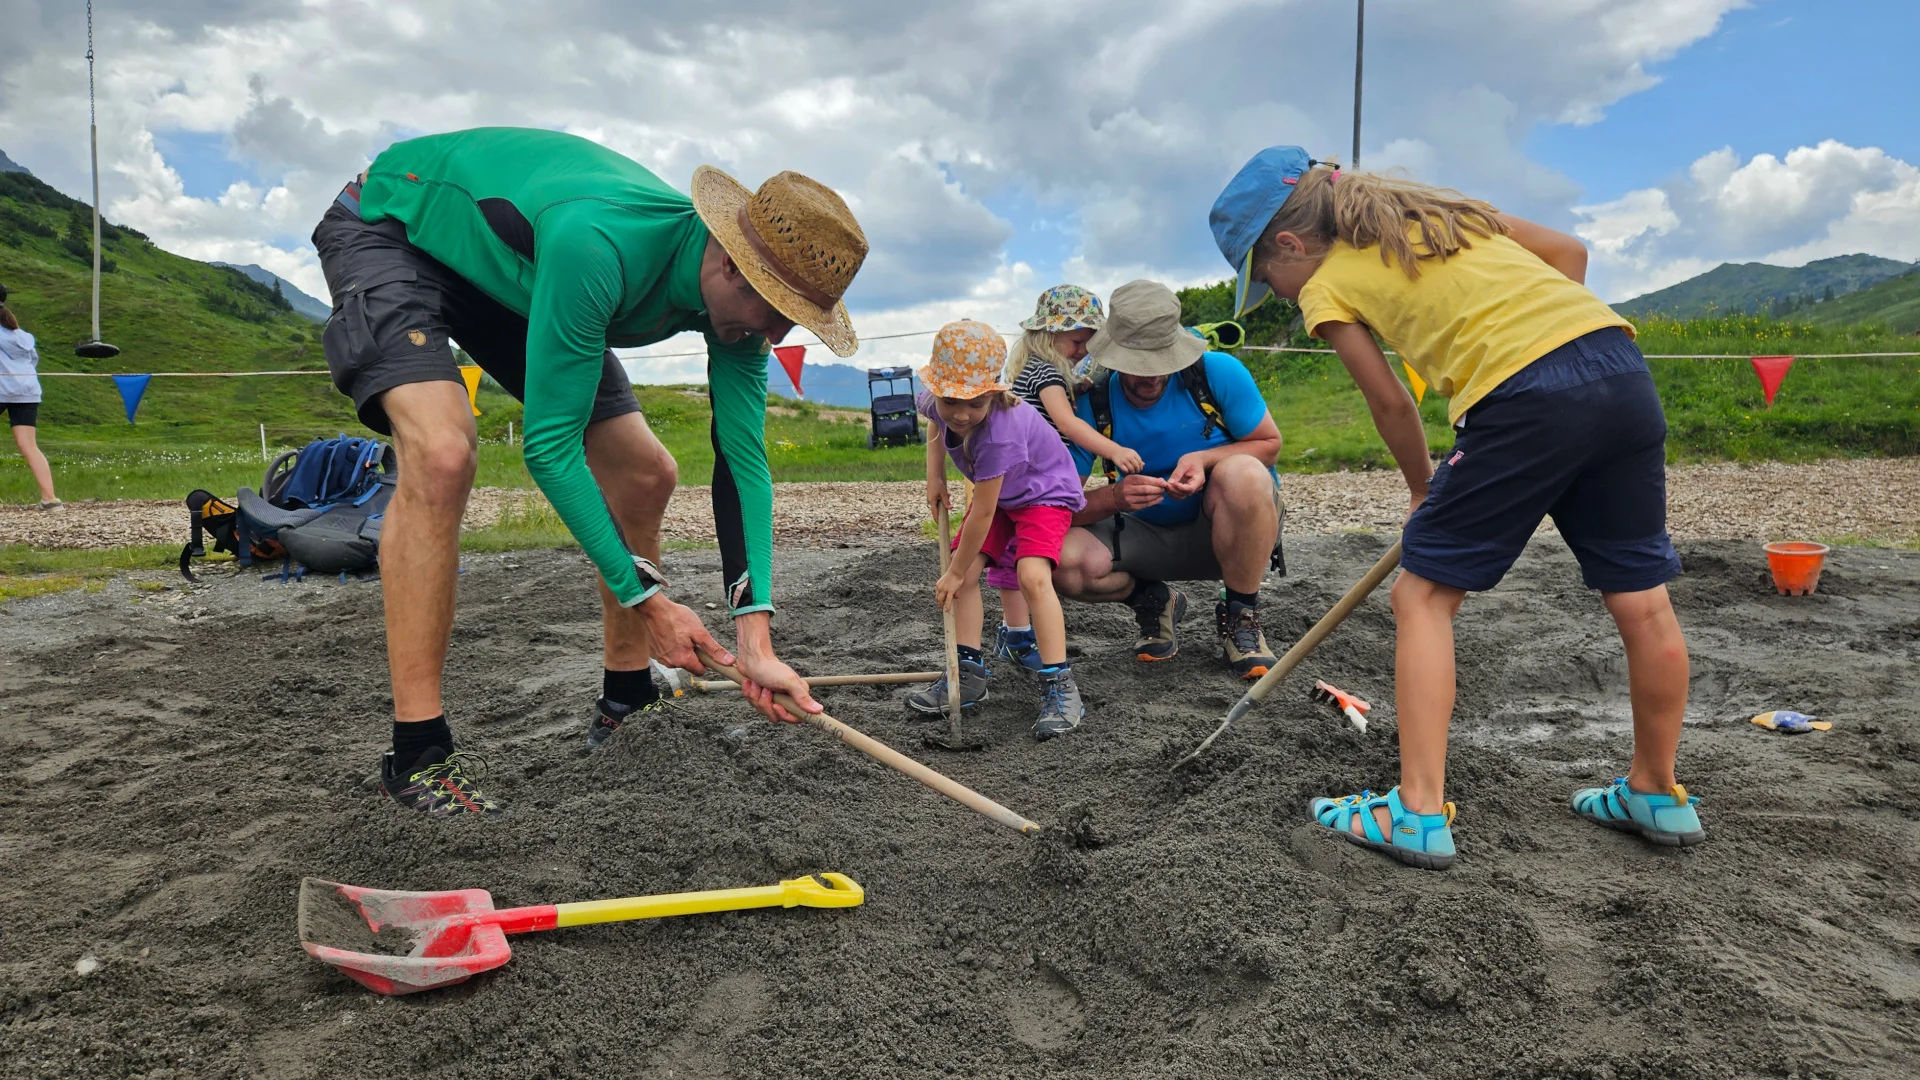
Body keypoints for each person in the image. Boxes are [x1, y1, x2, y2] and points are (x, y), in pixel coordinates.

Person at [311, 127, 869, 814]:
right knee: (445, 451)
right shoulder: (600, 245)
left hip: (514, 274)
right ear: (729, 264)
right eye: (778, 313)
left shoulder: (740, 317)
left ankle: (625, 696)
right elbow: (549, 446)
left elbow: (743, 460)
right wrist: (651, 602)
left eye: (796, 322)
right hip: (396, 227)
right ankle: (418, 751)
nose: (778, 336)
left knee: (645, 473)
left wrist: (755, 639)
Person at [1213, 145, 1702, 871]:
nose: (1278, 293)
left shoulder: (1326, 283)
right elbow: (1570, 251)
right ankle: (1657, 792)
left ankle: (1413, 812)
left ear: (1289, 243)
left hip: (1523, 400)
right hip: (1619, 371)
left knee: (1423, 596)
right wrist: (1550, 350)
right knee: (1641, 599)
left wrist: (1421, 488)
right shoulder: (1442, 215)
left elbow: (1390, 401)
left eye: (1267, 278)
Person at [1050, 280, 1284, 679]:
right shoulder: (1091, 402)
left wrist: (1205, 459)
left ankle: (1242, 616)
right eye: (1137, 366)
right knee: (1061, 560)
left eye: (1162, 362)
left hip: (1227, 531)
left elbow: (1269, 445)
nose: (1151, 377)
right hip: (1140, 536)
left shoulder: (1219, 372)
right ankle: (1154, 600)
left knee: (1243, 471)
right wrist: (1115, 498)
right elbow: (1055, 506)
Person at [912, 319, 1088, 740]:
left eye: (975, 403)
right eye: (952, 400)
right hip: (1006, 495)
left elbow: (984, 514)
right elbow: (935, 421)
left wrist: (954, 570)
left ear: (993, 392)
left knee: (1030, 575)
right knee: (966, 576)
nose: (961, 413)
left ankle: (1060, 684)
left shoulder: (1000, 435)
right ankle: (968, 672)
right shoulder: (938, 404)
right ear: (937, 389)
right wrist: (934, 477)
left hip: (1044, 493)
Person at [988, 285, 1142, 672]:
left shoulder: (1029, 370)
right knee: (1029, 555)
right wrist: (1113, 450)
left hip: (1013, 475)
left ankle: (1015, 632)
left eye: (1089, 342)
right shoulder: (1045, 373)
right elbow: (1067, 423)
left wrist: (1075, 384)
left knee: (1011, 555)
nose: (1083, 350)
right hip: (1035, 479)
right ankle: (1021, 635)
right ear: (1049, 333)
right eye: (1077, 340)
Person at [0, 287, 63, 512]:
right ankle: (50, 499)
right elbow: (31, 362)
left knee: (27, 444)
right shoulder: (21, 335)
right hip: (27, 390)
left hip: (3, 388)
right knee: (29, 445)